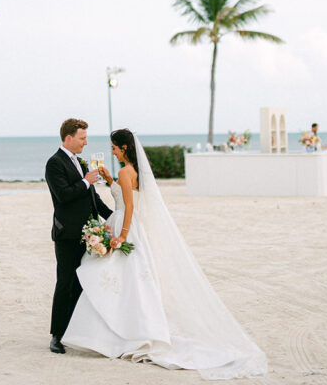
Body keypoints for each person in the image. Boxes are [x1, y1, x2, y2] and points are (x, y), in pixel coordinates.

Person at [62, 128, 267, 380]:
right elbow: (128, 195)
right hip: (130, 226)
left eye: (114, 147)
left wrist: (123, 235)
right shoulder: (130, 172)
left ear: (124, 148)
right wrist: (109, 179)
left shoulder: (126, 172)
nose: (112, 151)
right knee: (126, 281)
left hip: (126, 227)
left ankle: (118, 333)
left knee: (115, 279)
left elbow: (129, 207)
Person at [44, 118, 112, 354]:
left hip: (89, 234)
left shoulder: (81, 162)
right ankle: (57, 335)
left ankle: (77, 330)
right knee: (65, 283)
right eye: (82, 138)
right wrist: (86, 181)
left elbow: (93, 198)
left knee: (84, 283)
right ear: (68, 138)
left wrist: (115, 217)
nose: (85, 142)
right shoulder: (54, 163)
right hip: (67, 235)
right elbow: (63, 195)